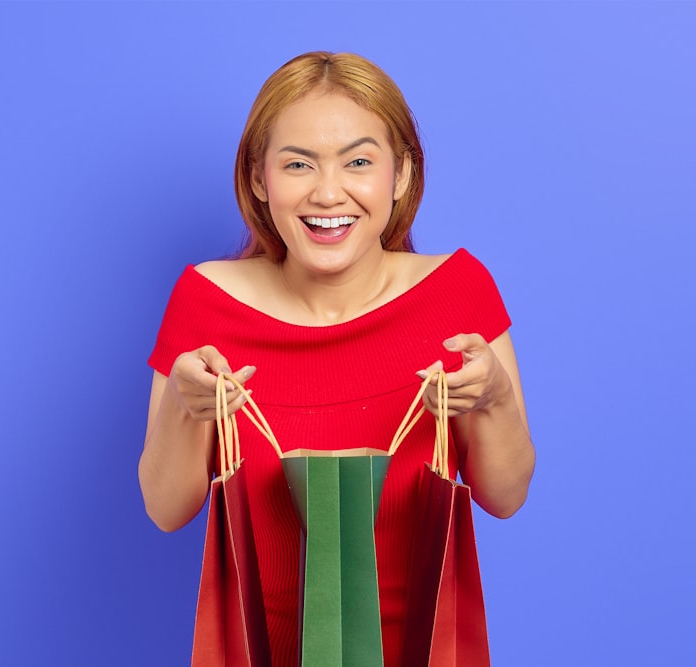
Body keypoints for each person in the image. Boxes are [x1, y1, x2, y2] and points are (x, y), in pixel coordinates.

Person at [139, 51, 535, 667]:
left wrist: (496, 397)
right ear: (258, 179)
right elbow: (166, 510)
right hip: (259, 651)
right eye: (298, 164)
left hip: (425, 648)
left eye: (358, 162)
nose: (328, 192)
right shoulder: (206, 300)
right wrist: (188, 413)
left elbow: (505, 495)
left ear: (401, 175)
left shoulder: (459, 291)